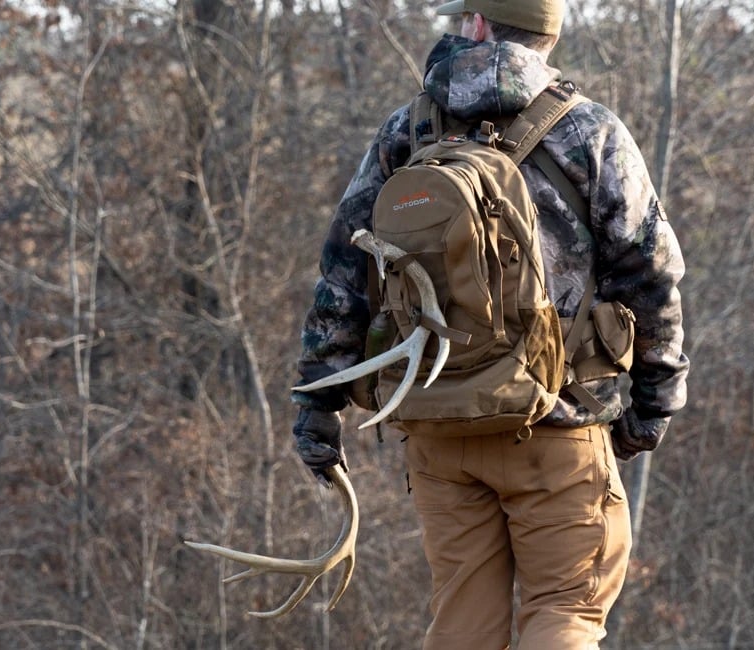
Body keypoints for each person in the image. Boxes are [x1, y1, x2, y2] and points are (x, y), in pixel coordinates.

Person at [291, 0, 690, 647]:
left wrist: (319, 401)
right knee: (565, 613)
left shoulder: (409, 130)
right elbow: (649, 274)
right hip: (555, 427)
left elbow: (343, 268)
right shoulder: (590, 132)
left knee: (462, 629)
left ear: (477, 25)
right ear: (548, 34)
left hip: (438, 428)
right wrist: (653, 403)